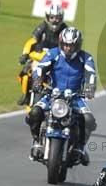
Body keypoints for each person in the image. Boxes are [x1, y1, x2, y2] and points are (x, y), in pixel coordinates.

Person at [27, 27, 96, 164]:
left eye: (71, 45)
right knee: (34, 113)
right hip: (52, 95)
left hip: (75, 98)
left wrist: (90, 87)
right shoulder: (53, 54)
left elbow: (91, 74)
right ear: (60, 43)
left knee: (88, 119)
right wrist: (37, 81)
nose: (68, 48)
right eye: (65, 44)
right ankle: (36, 141)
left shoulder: (86, 58)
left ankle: (80, 148)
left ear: (78, 45)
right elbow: (40, 68)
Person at [17, 4, 68, 106]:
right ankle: (25, 95)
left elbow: (69, 45)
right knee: (24, 74)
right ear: (48, 17)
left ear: (61, 18)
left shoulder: (65, 29)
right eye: (52, 17)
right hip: (39, 57)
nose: (54, 20)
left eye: (57, 18)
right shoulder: (42, 26)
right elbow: (32, 40)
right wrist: (25, 54)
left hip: (55, 60)